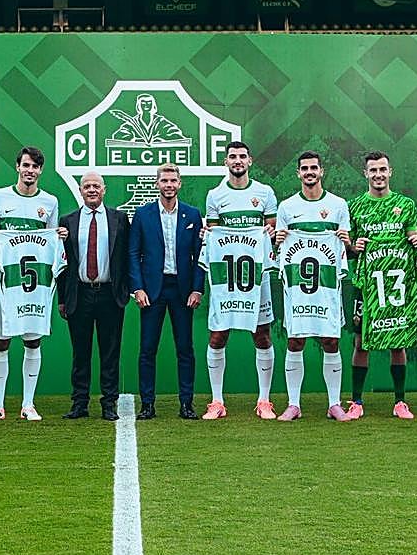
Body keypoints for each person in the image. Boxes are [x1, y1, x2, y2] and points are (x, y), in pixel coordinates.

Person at [0, 146, 68, 421]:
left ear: (41, 171)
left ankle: (28, 404)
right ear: (17, 167)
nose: (30, 171)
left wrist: (60, 235)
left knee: (33, 341)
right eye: (26, 165)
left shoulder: (50, 202)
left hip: (35, 285)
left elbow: (51, 240)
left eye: (35, 167)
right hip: (5, 281)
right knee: (0, 342)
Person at [202, 141, 278, 420]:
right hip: (226, 278)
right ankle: (217, 401)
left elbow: (271, 228)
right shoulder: (215, 195)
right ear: (226, 162)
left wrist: (266, 233)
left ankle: (264, 400)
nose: (237, 161)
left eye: (242, 156)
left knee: (262, 334)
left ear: (250, 160)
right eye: (232, 156)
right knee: (219, 334)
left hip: (257, 276)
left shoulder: (264, 192)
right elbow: (212, 233)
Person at [273, 151, 351, 421]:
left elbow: (346, 249)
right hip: (297, 287)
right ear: (298, 173)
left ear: (322, 171)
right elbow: (278, 251)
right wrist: (278, 239)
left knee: (330, 340)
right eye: (304, 168)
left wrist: (346, 240)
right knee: (296, 340)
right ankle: (294, 404)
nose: (309, 172)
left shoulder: (339, 205)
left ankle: (334, 404)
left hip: (327, 286)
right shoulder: (286, 207)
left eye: (313, 168)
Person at [345, 151, 417, 421]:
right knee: (360, 341)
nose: (378, 175)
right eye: (373, 170)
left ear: (391, 172)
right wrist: (354, 246)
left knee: (397, 342)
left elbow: (413, 235)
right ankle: (356, 401)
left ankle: (400, 401)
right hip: (366, 284)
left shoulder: (406, 204)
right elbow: (348, 248)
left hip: (396, 284)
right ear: (365, 174)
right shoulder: (353, 206)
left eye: (382, 170)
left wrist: (415, 241)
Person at [128, 163, 204, 420]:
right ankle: (147, 404)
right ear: (157, 184)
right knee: (148, 350)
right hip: (152, 290)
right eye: (164, 181)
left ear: (179, 184)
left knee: (185, 349)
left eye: (173, 181)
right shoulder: (143, 214)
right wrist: (137, 288)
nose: (169, 185)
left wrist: (197, 289)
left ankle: (187, 404)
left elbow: (200, 256)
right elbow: (133, 253)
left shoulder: (192, 215)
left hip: (182, 291)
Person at [58, 172, 131, 421]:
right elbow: (62, 263)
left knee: (110, 352)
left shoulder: (119, 219)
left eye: (96, 186)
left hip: (110, 293)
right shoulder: (67, 221)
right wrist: (62, 299)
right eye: (87, 186)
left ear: (104, 189)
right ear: (80, 190)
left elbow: (127, 256)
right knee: (81, 352)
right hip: (79, 293)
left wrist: (127, 289)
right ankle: (80, 403)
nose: (91, 190)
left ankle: (109, 403)